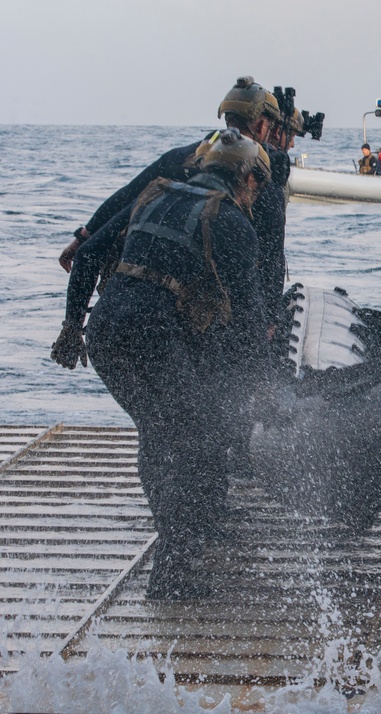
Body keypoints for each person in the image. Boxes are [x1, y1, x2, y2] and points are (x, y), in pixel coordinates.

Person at [51, 130, 272, 600]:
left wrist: (72, 328)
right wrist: (263, 389)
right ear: (248, 179)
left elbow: (88, 253)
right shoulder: (233, 223)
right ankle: (172, 574)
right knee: (192, 438)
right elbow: (250, 326)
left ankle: (196, 533)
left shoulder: (155, 195)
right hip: (152, 336)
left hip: (106, 333)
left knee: (160, 431)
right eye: (258, 185)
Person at [57, 76, 291, 336]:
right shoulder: (260, 181)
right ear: (261, 125)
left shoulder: (178, 159)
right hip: (204, 314)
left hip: (137, 296)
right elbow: (272, 258)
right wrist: (269, 323)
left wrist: (83, 237)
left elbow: (125, 197)